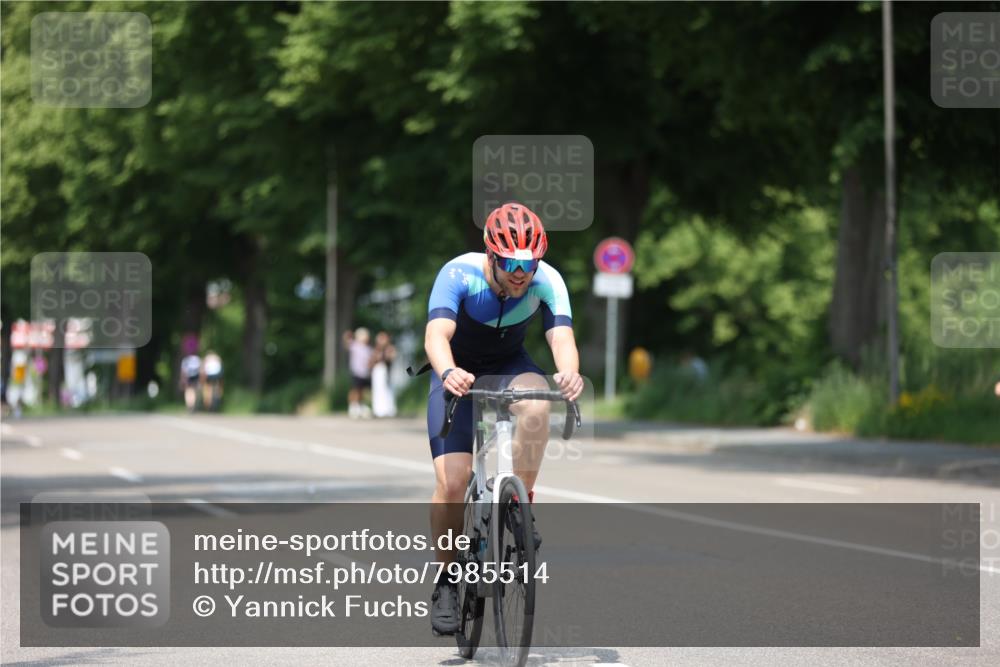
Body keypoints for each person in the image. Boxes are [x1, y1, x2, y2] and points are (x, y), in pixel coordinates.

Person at [420, 202, 583, 635]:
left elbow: (561, 337)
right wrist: (448, 371)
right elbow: (437, 335)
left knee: (537, 403)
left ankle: (519, 505)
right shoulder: (458, 274)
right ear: (491, 255)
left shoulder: (546, 281)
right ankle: (447, 581)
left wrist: (568, 372)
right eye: (511, 262)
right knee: (453, 481)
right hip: (457, 371)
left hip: (510, 363)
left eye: (529, 263)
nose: (520, 272)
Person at [343, 327, 373, 418]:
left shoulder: (368, 348)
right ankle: (353, 406)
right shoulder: (355, 345)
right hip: (356, 372)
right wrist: (348, 335)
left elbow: (370, 360)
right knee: (355, 389)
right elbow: (346, 341)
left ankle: (359, 405)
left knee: (362, 390)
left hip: (365, 373)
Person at [370, 331, 397, 418]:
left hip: (386, 371)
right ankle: (378, 410)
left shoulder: (390, 348)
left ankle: (388, 409)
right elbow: (372, 361)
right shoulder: (376, 349)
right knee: (378, 390)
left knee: (387, 390)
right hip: (378, 371)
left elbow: (391, 358)